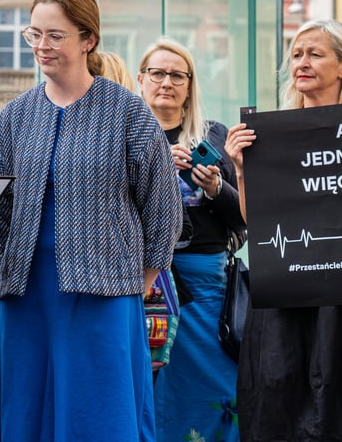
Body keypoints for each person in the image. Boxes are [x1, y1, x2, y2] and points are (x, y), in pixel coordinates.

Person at [0, 0, 183, 441]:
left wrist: (136, 281)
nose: (42, 47)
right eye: (34, 35)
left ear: (88, 39)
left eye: (55, 35)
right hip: (25, 294)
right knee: (23, 411)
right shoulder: (14, 116)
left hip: (103, 296)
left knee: (98, 417)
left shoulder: (128, 112)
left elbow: (163, 208)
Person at [224, 20, 342, 440]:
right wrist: (242, 170)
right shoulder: (271, 132)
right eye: (296, 55)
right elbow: (256, 220)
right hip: (290, 295)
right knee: (282, 403)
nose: (302, 63)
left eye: (315, 53)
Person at [137, 37, 245, 441]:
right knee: (150, 382)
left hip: (204, 282)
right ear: (141, 80)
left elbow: (243, 218)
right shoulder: (125, 136)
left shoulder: (213, 136)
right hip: (143, 279)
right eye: (157, 73)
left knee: (213, 379)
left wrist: (217, 188)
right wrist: (160, 169)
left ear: (190, 84)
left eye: (176, 75)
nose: (166, 82)